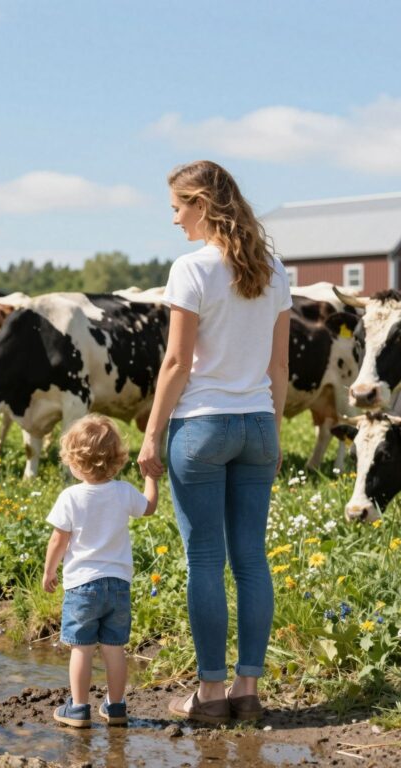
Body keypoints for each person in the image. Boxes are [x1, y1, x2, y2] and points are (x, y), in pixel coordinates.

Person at [137, 160, 290, 725]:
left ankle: (210, 694)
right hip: (256, 426)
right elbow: (279, 367)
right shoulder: (274, 270)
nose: (175, 219)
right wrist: (272, 433)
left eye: (178, 206)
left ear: (202, 204)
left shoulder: (191, 269)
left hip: (201, 427)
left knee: (204, 559)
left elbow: (177, 362)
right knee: (251, 560)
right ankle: (248, 690)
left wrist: (152, 433)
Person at [43, 414, 158, 728]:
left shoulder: (70, 497)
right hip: (118, 585)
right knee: (114, 647)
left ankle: (79, 709)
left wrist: (49, 570)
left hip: (82, 586)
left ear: (74, 462)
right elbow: (149, 507)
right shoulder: (122, 492)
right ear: (116, 460)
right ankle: (117, 707)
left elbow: (58, 539)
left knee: (81, 648)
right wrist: (150, 476)